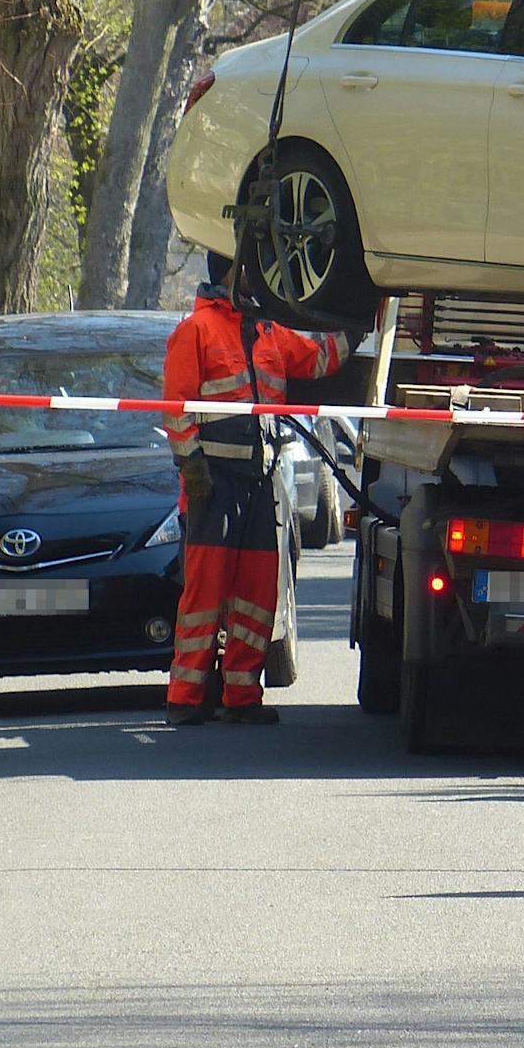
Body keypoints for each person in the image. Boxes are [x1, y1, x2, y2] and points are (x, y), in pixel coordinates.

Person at [161, 271, 349, 726]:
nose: (257, 277)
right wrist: (194, 470)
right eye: (246, 269)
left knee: (257, 593)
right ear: (225, 274)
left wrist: (361, 318)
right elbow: (176, 408)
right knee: (205, 594)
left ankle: (242, 697)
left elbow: (321, 360)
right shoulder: (196, 331)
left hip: (259, 481)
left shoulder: (268, 331)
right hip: (214, 486)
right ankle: (185, 698)